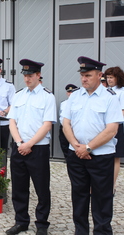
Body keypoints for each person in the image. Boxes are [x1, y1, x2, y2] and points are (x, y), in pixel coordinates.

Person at [62, 56, 123, 235]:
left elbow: (112, 129)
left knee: (102, 198)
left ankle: (102, 231)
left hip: (101, 157)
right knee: (79, 196)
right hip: (76, 155)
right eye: (82, 75)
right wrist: (76, 145)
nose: (83, 79)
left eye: (88, 75)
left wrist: (88, 148)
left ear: (99, 75)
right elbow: (66, 123)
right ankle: (80, 231)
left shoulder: (110, 98)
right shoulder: (75, 97)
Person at [6, 59, 57, 235]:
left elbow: (47, 125)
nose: (27, 79)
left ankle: (42, 224)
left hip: (38, 149)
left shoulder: (47, 96)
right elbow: (12, 121)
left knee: (41, 187)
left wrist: (29, 144)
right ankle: (21, 221)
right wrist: (20, 143)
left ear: (38, 75)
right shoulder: (18, 95)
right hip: (19, 147)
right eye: (25, 75)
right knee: (19, 187)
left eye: (30, 75)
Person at [104, 66, 124, 193]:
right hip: (105, 126)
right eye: (108, 77)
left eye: (112, 77)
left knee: (115, 157)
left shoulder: (122, 91)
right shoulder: (106, 90)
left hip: (116, 126)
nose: (109, 80)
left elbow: (122, 111)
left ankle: (112, 185)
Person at [58, 84, 78, 159]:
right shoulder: (63, 103)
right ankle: (67, 159)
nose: (70, 94)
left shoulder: (78, 103)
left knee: (74, 145)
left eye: (72, 92)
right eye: (69, 92)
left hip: (73, 128)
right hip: (63, 127)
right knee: (64, 144)